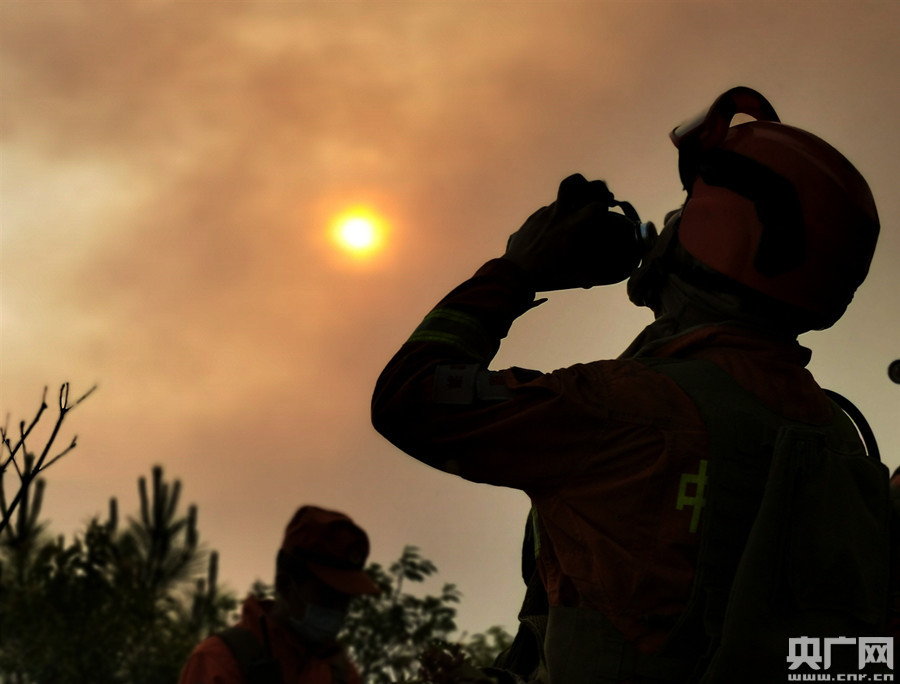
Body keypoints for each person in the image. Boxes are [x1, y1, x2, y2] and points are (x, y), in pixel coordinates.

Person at [372, 87, 890, 682]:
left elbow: (409, 397)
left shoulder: (622, 408)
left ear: (722, 235)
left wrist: (519, 270)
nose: (664, 226)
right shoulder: (836, 439)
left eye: (684, 208)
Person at [178, 505, 380, 684]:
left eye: (345, 598)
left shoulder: (340, 673)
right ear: (285, 586)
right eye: (327, 596)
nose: (338, 609)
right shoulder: (219, 662)